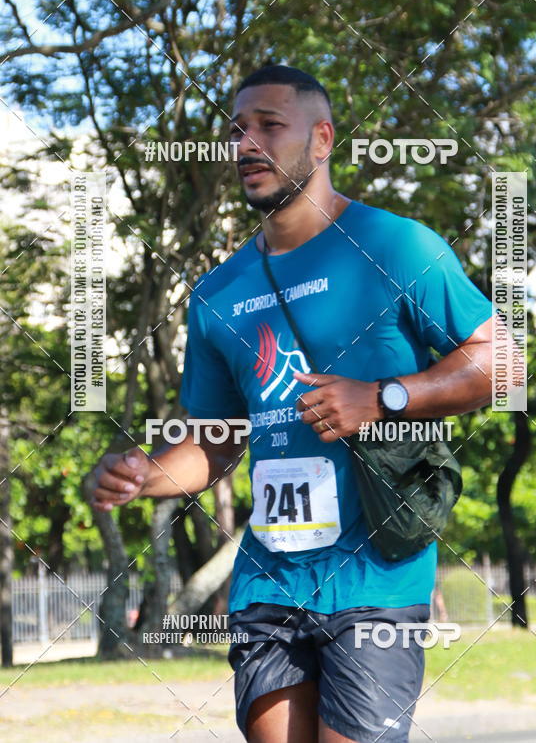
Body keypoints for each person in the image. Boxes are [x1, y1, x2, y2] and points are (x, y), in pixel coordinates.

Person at [91, 64, 494, 742]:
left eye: (269, 126)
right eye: (236, 130)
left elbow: (499, 360)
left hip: (375, 577)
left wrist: (384, 397)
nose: (246, 143)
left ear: (322, 139)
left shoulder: (396, 246)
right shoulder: (217, 293)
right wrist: (146, 476)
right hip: (268, 579)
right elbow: (217, 440)